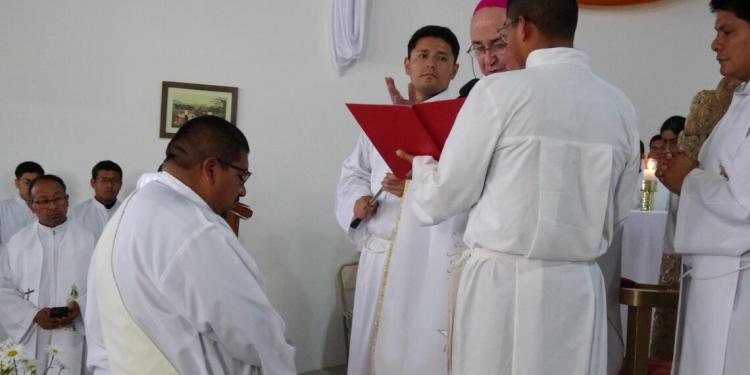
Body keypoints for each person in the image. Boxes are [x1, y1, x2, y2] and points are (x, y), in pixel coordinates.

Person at [396, 0, 640, 373]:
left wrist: (423, 165)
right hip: (577, 285)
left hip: (502, 285)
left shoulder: (498, 93)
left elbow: (443, 197)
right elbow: (622, 207)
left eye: (504, 34)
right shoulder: (619, 104)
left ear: (522, 27)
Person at [85, 116, 296, 374]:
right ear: (210, 169)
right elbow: (256, 334)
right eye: (242, 176)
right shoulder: (196, 229)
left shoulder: (128, 212)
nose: (242, 191)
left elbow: (98, 328)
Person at [335, 25, 460, 375]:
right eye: (422, 56)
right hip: (380, 250)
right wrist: (356, 202)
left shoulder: (463, 122)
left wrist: (415, 188)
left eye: (441, 58)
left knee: (417, 350)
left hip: (428, 257)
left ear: (454, 69)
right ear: (407, 64)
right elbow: (354, 171)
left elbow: (462, 186)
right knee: (369, 350)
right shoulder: (381, 120)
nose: (430, 65)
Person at [657, 1, 750, 373]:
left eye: (726, 31)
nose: (715, 44)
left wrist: (690, 180)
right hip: (720, 276)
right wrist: (687, 175)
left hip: (740, 287)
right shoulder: (739, 101)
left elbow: (744, 206)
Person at [0, 175, 95, 374]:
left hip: (73, 333)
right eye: (43, 201)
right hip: (32, 333)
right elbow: (3, 288)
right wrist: (32, 315)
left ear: (67, 200)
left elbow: (101, 286)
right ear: (31, 205)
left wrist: (81, 306)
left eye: (58, 198)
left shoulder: (89, 240)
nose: (52, 206)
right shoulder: (17, 244)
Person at [70, 160, 123, 240]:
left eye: (114, 181)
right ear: (92, 183)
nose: (109, 185)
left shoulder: (127, 212)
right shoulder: (75, 213)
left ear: (120, 184)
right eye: (103, 180)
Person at [0, 161, 44, 247]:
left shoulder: (49, 207)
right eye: (27, 182)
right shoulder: (3, 208)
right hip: (10, 259)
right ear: (17, 183)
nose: (31, 186)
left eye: (35, 182)